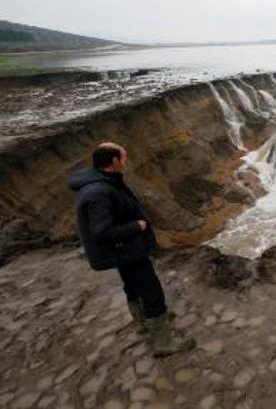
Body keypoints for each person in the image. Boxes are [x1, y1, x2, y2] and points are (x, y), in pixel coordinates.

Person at [68, 142, 195, 357]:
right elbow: (101, 232)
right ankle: (163, 343)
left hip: (123, 250)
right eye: (124, 157)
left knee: (132, 286)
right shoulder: (98, 192)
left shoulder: (101, 181)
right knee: (152, 291)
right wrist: (136, 226)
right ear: (115, 161)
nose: (126, 161)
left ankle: (144, 323)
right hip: (126, 249)